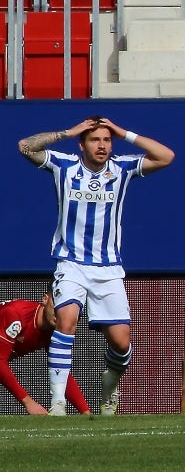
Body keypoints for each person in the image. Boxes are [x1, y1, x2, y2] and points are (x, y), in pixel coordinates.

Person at [19, 117, 175, 416]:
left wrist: (124, 133)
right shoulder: (64, 166)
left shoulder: (122, 168)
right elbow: (25, 146)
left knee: (121, 342)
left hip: (108, 267)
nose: (102, 145)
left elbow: (166, 156)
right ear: (82, 144)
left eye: (106, 140)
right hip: (71, 263)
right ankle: (57, 403)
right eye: (95, 140)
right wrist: (68, 131)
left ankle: (109, 384)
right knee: (66, 320)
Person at [0, 282, 91, 415]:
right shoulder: (16, 314)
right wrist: (28, 403)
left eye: (64, 308)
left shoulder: (53, 331)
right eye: (57, 305)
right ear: (45, 299)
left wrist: (86, 412)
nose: (60, 312)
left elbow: (60, 371)